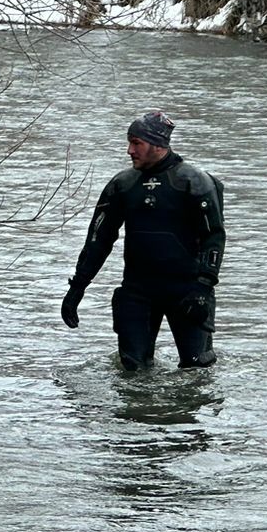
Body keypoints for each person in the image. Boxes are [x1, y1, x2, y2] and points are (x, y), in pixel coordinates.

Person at [61, 111, 225, 369]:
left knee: (197, 368)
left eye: (137, 143)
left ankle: (188, 409)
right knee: (131, 369)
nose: (129, 150)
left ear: (158, 145)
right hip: (138, 291)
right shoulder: (122, 185)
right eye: (129, 142)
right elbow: (98, 240)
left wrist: (203, 287)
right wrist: (77, 287)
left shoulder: (194, 182)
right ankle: (137, 411)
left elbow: (213, 237)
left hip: (187, 291)